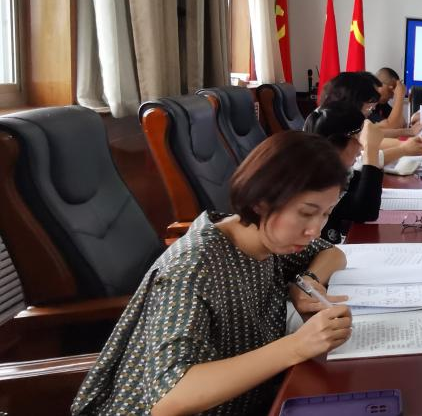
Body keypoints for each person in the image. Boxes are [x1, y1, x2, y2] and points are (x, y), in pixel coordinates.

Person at [71, 131, 353, 415]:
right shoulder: (194, 268)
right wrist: (296, 347)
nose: (314, 229)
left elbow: (333, 254)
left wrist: (306, 282)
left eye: (326, 213)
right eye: (306, 213)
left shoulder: (268, 238)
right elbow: (169, 398)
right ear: (261, 202)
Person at [304, 103, 383, 243]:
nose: (361, 148)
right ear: (336, 143)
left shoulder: (337, 171)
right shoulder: (314, 181)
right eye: (358, 138)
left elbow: (358, 184)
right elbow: (366, 210)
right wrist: (371, 148)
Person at [314, 72, 422, 158]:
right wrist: (404, 148)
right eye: (369, 104)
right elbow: (364, 157)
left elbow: (371, 134)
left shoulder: (334, 116)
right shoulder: (329, 124)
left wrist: (408, 135)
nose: (373, 108)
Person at [321, 72, 417, 139]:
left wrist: (409, 132)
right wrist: (400, 96)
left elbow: (373, 132)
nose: (373, 106)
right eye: (371, 99)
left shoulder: (350, 120)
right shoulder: (334, 126)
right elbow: (391, 127)